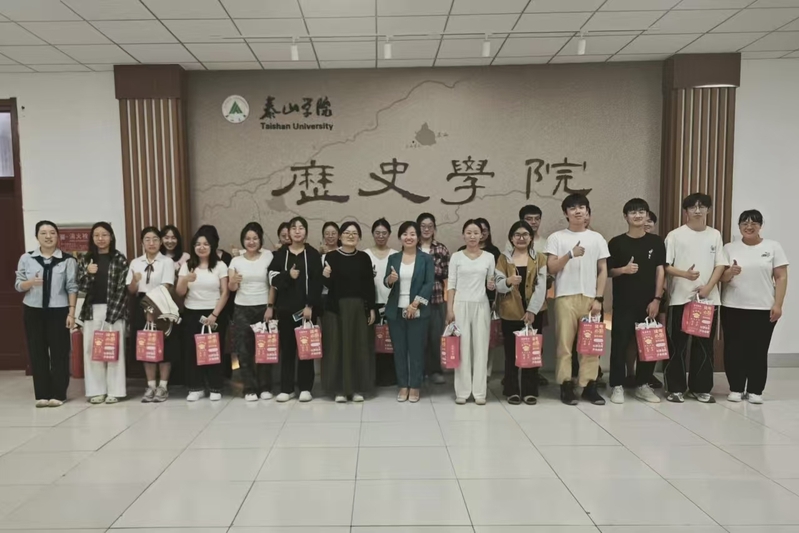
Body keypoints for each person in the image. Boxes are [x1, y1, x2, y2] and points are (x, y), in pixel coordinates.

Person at [664, 192, 729, 403]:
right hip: (680, 298)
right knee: (677, 345)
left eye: (702, 207)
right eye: (693, 207)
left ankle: (700, 388)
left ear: (708, 210)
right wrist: (685, 274)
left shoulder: (715, 235)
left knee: (704, 345)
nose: (698, 211)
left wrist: (709, 287)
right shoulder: (675, 235)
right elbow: (666, 266)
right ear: (686, 211)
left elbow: (721, 264)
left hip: (708, 300)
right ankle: (675, 388)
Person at [546, 194, 609, 406]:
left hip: (590, 298)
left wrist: (599, 298)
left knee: (590, 345)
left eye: (582, 207)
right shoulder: (557, 237)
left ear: (587, 212)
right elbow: (551, 267)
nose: (578, 211)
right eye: (572, 208)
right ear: (566, 213)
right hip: (565, 297)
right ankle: (566, 385)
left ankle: (589, 386)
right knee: (564, 345)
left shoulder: (597, 238)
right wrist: (570, 255)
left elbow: (602, 270)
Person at [721, 209, 789, 404]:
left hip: (762, 308)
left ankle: (755, 390)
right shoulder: (729, 248)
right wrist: (730, 272)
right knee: (733, 349)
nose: (749, 227)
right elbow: (721, 277)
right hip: (733, 306)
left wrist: (778, 304)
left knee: (758, 349)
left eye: (754, 223)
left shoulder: (773, 247)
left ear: (760, 226)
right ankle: (735, 388)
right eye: (745, 223)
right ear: (739, 226)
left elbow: (781, 277)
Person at [607, 199, 666, 405]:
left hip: (649, 303)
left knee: (649, 345)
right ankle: (617, 385)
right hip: (623, 303)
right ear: (626, 217)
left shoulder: (656, 242)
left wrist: (657, 299)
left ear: (647, 215)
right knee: (619, 345)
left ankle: (643, 384)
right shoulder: (616, 242)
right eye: (633, 212)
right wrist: (623, 270)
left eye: (641, 212)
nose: (638, 215)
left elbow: (660, 271)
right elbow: (608, 271)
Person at [16, 221, 78, 407]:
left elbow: (72, 287)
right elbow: (18, 285)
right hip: (33, 310)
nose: (48, 236)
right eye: (43, 233)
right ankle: (42, 394)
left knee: (60, 352)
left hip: (59, 310)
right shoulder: (27, 258)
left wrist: (71, 312)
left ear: (58, 236)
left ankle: (58, 394)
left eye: (52, 232)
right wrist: (30, 283)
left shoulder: (68, 260)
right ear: (37, 237)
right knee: (37, 352)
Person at [268, 217, 323, 403]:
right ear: (289, 232)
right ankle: (287, 388)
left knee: (306, 350)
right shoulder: (281, 254)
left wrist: (310, 305)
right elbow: (272, 279)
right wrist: (288, 275)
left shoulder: (312, 254)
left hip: (306, 311)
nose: (297, 231)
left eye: (301, 228)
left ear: (306, 232)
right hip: (285, 310)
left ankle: (306, 388)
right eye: (294, 228)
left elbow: (317, 282)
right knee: (288, 350)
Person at [322, 221, 376, 402]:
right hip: (336, 309)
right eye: (346, 232)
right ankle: (339, 390)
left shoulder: (364, 258)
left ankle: (357, 389)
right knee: (337, 347)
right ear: (340, 236)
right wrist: (325, 276)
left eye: (354, 233)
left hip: (359, 308)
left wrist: (371, 308)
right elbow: (327, 286)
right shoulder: (330, 257)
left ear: (359, 237)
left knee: (357, 346)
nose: (350, 236)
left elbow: (369, 285)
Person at [494, 221, 547, 405]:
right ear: (511, 238)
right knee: (511, 353)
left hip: (534, 311)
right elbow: (498, 285)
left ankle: (530, 390)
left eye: (525, 234)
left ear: (531, 237)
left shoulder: (540, 258)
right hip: (510, 311)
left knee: (531, 351)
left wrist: (532, 311)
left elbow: (541, 286)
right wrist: (508, 281)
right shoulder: (503, 259)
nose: (521, 238)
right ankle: (511, 390)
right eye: (517, 234)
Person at [78, 222, 129, 404]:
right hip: (91, 311)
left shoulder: (119, 259)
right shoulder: (86, 259)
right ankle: (96, 391)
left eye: (104, 234)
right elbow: (82, 287)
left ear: (111, 237)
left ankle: (115, 391)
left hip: (115, 309)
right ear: (92, 238)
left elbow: (123, 288)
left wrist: (112, 315)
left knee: (114, 350)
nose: (101, 238)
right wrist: (88, 274)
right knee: (92, 351)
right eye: (97, 235)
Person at [177, 228, 229, 401]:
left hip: (214, 312)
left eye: (206, 244)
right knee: (192, 350)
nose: (202, 247)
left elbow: (225, 292)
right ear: (193, 247)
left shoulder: (220, 265)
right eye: (198, 244)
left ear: (212, 246)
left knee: (213, 350)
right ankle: (195, 387)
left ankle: (215, 387)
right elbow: (180, 292)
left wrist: (214, 314)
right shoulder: (187, 265)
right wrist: (185, 280)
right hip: (192, 312)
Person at [384, 221, 435, 403]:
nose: (409, 237)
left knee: (416, 350)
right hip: (395, 311)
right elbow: (386, 282)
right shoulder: (393, 258)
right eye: (405, 234)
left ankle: (415, 386)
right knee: (399, 350)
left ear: (418, 237)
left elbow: (429, 283)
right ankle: (402, 385)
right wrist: (390, 279)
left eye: (412, 234)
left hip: (418, 310)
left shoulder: (426, 259)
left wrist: (415, 304)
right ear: (400, 237)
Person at [447, 219, 496, 405]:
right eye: (469, 232)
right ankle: (462, 391)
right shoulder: (456, 257)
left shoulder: (489, 257)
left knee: (481, 348)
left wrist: (491, 285)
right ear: (463, 235)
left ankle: (479, 392)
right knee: (462, 348)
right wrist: (449, 309)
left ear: (482, 235)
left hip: (481, 305)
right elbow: (451, 284)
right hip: (460, 305)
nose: (472, 236)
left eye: (476, 233)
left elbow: (491, 282)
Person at [127, 226, 176, 403]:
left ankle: (163, 386)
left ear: (161, 242)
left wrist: (152, 309)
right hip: (140, 305)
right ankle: (151, 386)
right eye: (147, 239)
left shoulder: (166, 262)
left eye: (155, 239)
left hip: (161, 304)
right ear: (142, 242)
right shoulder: (135, 262)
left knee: (164, 345)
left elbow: (167, 286)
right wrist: (135, 281)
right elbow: (131, 290)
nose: (151, 243)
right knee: (146, 345)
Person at [228, 222, 274, 402]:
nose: (251, 241)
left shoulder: (268, 256)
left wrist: (270, 306)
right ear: (243, 241)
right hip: (242, 308)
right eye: (247, 238)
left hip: (263, 307)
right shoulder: (236, 261)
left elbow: (273, 284)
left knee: (264, 349)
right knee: (244, 350)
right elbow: (232, 288)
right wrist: (234, 281)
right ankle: (249, 388)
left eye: (255, 238)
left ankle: (265, 387)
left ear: (260, 240)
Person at [197, 225, 235, 379]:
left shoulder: (225, 259)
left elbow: (228, 286)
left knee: (220, 341)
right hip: (200, 304)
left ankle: (222, 375)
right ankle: (202, 377)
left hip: (223, 305)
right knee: (202, 341)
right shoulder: (195, 260)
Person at [417, 213, 450, 385]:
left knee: (435, 336)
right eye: (423, 226)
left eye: (430, 226)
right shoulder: (411, 247)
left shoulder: (441, 249)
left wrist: (427, 268)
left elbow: (446, 274)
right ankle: (420, 371)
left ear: (434, 228)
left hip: (436, 298)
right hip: (416, 300)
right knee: (418, 337)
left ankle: (435, 371)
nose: (426, 229)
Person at [365, 219, 398, 387]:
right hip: (372, 304)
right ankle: (374, 377)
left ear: (389, 234)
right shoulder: (365, 255)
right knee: (373, 341)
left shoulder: (396, 255)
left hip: (391, 304)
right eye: (377, 233)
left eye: (384, 233)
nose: (381, 236)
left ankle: (391, 377)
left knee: (391, 341)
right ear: (372, 234)